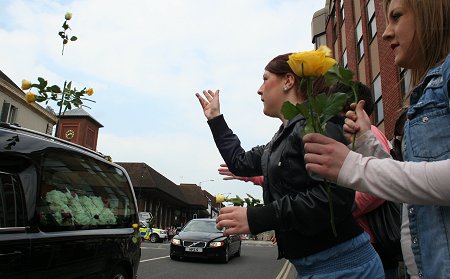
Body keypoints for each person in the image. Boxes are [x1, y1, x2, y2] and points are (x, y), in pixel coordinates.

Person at [196, 52, 384, 278]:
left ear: (288, 80)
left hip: (344, 268)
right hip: (315, 267)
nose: (259, 89)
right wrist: (216, 119)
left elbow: (333, 197)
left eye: (265, 79)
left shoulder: (318, 125)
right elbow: (240, 162)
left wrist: (256, 217)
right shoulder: (281, 138)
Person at [303, 0, 450, 277]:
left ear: (432, 13)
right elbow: (408, 188)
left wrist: (353, 167)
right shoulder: (426, 88)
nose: (385, 32)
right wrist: (368, 141)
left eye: (396, 17)